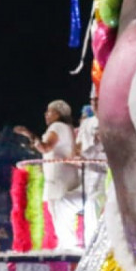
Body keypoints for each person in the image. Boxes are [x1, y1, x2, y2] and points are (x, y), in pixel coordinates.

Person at [16, 100, 82, 250]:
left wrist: (28, 133)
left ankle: (68, 246)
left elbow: (45, 148)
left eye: (49, 111)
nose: (46, 114)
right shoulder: (66, 128)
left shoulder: (57, 126)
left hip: (59, 176)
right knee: (58, 211)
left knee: (59, 210)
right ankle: (67, 244)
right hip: (62, 174)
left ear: (58, 114)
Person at [75, 92, 106, 247]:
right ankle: (91, 245)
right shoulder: (86, 123)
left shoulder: (111, 120)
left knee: (98, 204)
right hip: (88, 172)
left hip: (107, 173)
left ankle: (99, 245)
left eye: (97, 100)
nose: (94, 103)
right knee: (89, 207)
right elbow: (79, 148)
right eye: (92, 101)